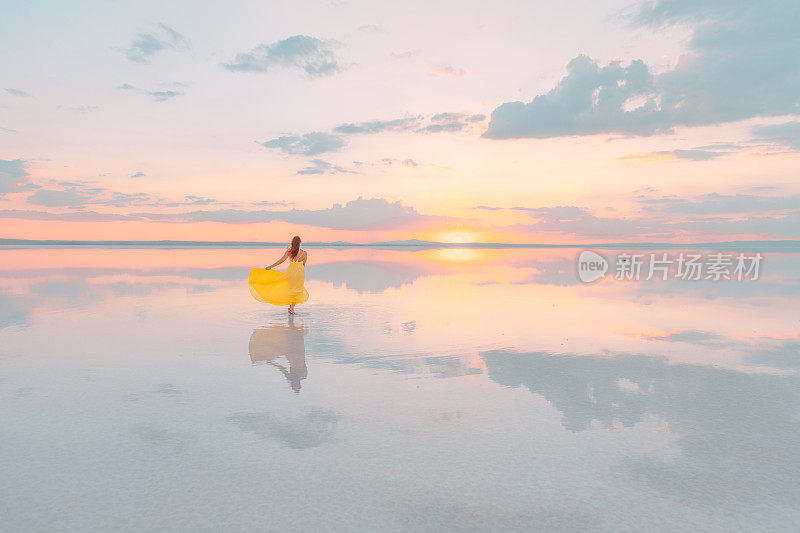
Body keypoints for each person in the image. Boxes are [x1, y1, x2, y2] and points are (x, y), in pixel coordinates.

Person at [248, 236, 309, 314]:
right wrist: (301, 273)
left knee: (291, 289)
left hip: (291, 272)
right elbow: (304, 265)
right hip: (300, 273)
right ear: (300, 243)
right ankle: (292, 308)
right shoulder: (304, 253)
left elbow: (280, 261)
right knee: (297, 290)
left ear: (292, 242)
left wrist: (270, 266)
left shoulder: (289, 251)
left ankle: (291, 308)